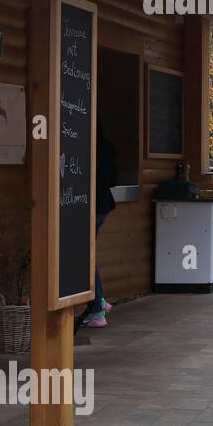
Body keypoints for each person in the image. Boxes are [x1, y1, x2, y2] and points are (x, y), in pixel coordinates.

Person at [81, 123, 118, 328]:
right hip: (104, 204)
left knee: (85, 257)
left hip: (87, 205)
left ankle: (96, 310)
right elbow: (113, 179)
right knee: (88, 256)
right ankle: (100, 302)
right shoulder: (108, 147)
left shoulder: (82, 147)